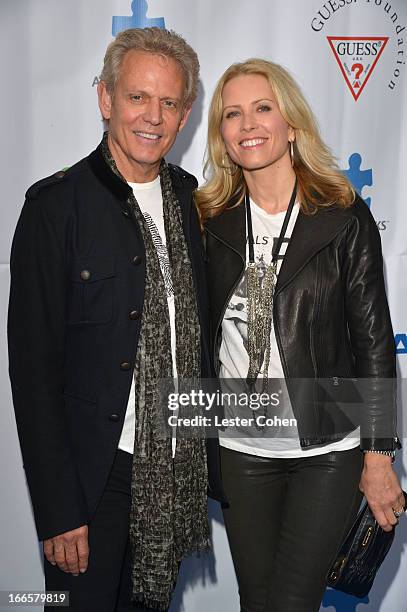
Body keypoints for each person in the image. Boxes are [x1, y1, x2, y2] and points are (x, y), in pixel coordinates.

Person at [8, 27, 223, 612]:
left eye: (169, 102)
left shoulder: (190, 198)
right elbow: (32, 374)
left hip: (172, 473)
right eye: (136, 98)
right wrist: (59, 509)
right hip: (90, 484)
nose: (152, 117)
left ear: (185, 114)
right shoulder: (54, 208)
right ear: (105, 99)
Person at [195, 58, 404, 612]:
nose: (248, 124)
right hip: (240, 447)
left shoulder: (341, 216)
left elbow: (374, 343)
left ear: (291, 122)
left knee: (290, 602)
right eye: (232, 114)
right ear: (221, 134)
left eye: (263, 108)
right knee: (257, 602)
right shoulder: (208, 219)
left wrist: (379, 455)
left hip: (327, 447)